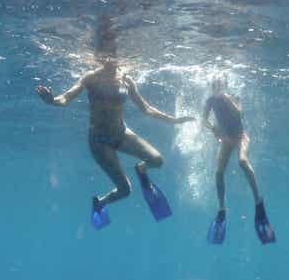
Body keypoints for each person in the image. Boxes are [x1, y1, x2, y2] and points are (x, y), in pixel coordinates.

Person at [37, 57, 193, 228]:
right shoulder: (90, 77)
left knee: (157, 160)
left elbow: (146, 108)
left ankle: (141, 169)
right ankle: (100, 202)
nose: (111, 58)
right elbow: (67, 97)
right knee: (125, 190)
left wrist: (174, 120)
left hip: (121, 133)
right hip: (99, 141)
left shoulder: (126, 78)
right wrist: (52, 101)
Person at [201, 77, 274, 245]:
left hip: (241, 137)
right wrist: (212, 128)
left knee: (242, 161)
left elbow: (238, 114)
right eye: (214, 86)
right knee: (218, 172)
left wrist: (226, 98)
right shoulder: (210, 100)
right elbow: (203, 119)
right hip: (226, 139)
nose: (216, 88)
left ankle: (258, 200)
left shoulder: (234, 96)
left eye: (219, 85)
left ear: (225, 86)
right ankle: (221, 208)